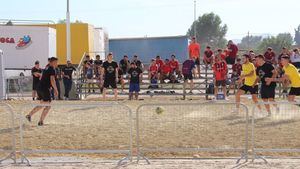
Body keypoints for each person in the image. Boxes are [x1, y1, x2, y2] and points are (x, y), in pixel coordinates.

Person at [25, 57, 59, 126]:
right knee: (48, 105)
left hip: (40, 87)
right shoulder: (52, 69)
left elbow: (43, 77)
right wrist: (56, 90)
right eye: (56, 62)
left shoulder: (46, 67)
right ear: (52, 62)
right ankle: (40, 121)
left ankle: (29, 115)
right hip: (44, 88)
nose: (57, 64)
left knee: (43, 103)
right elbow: (52, 80)